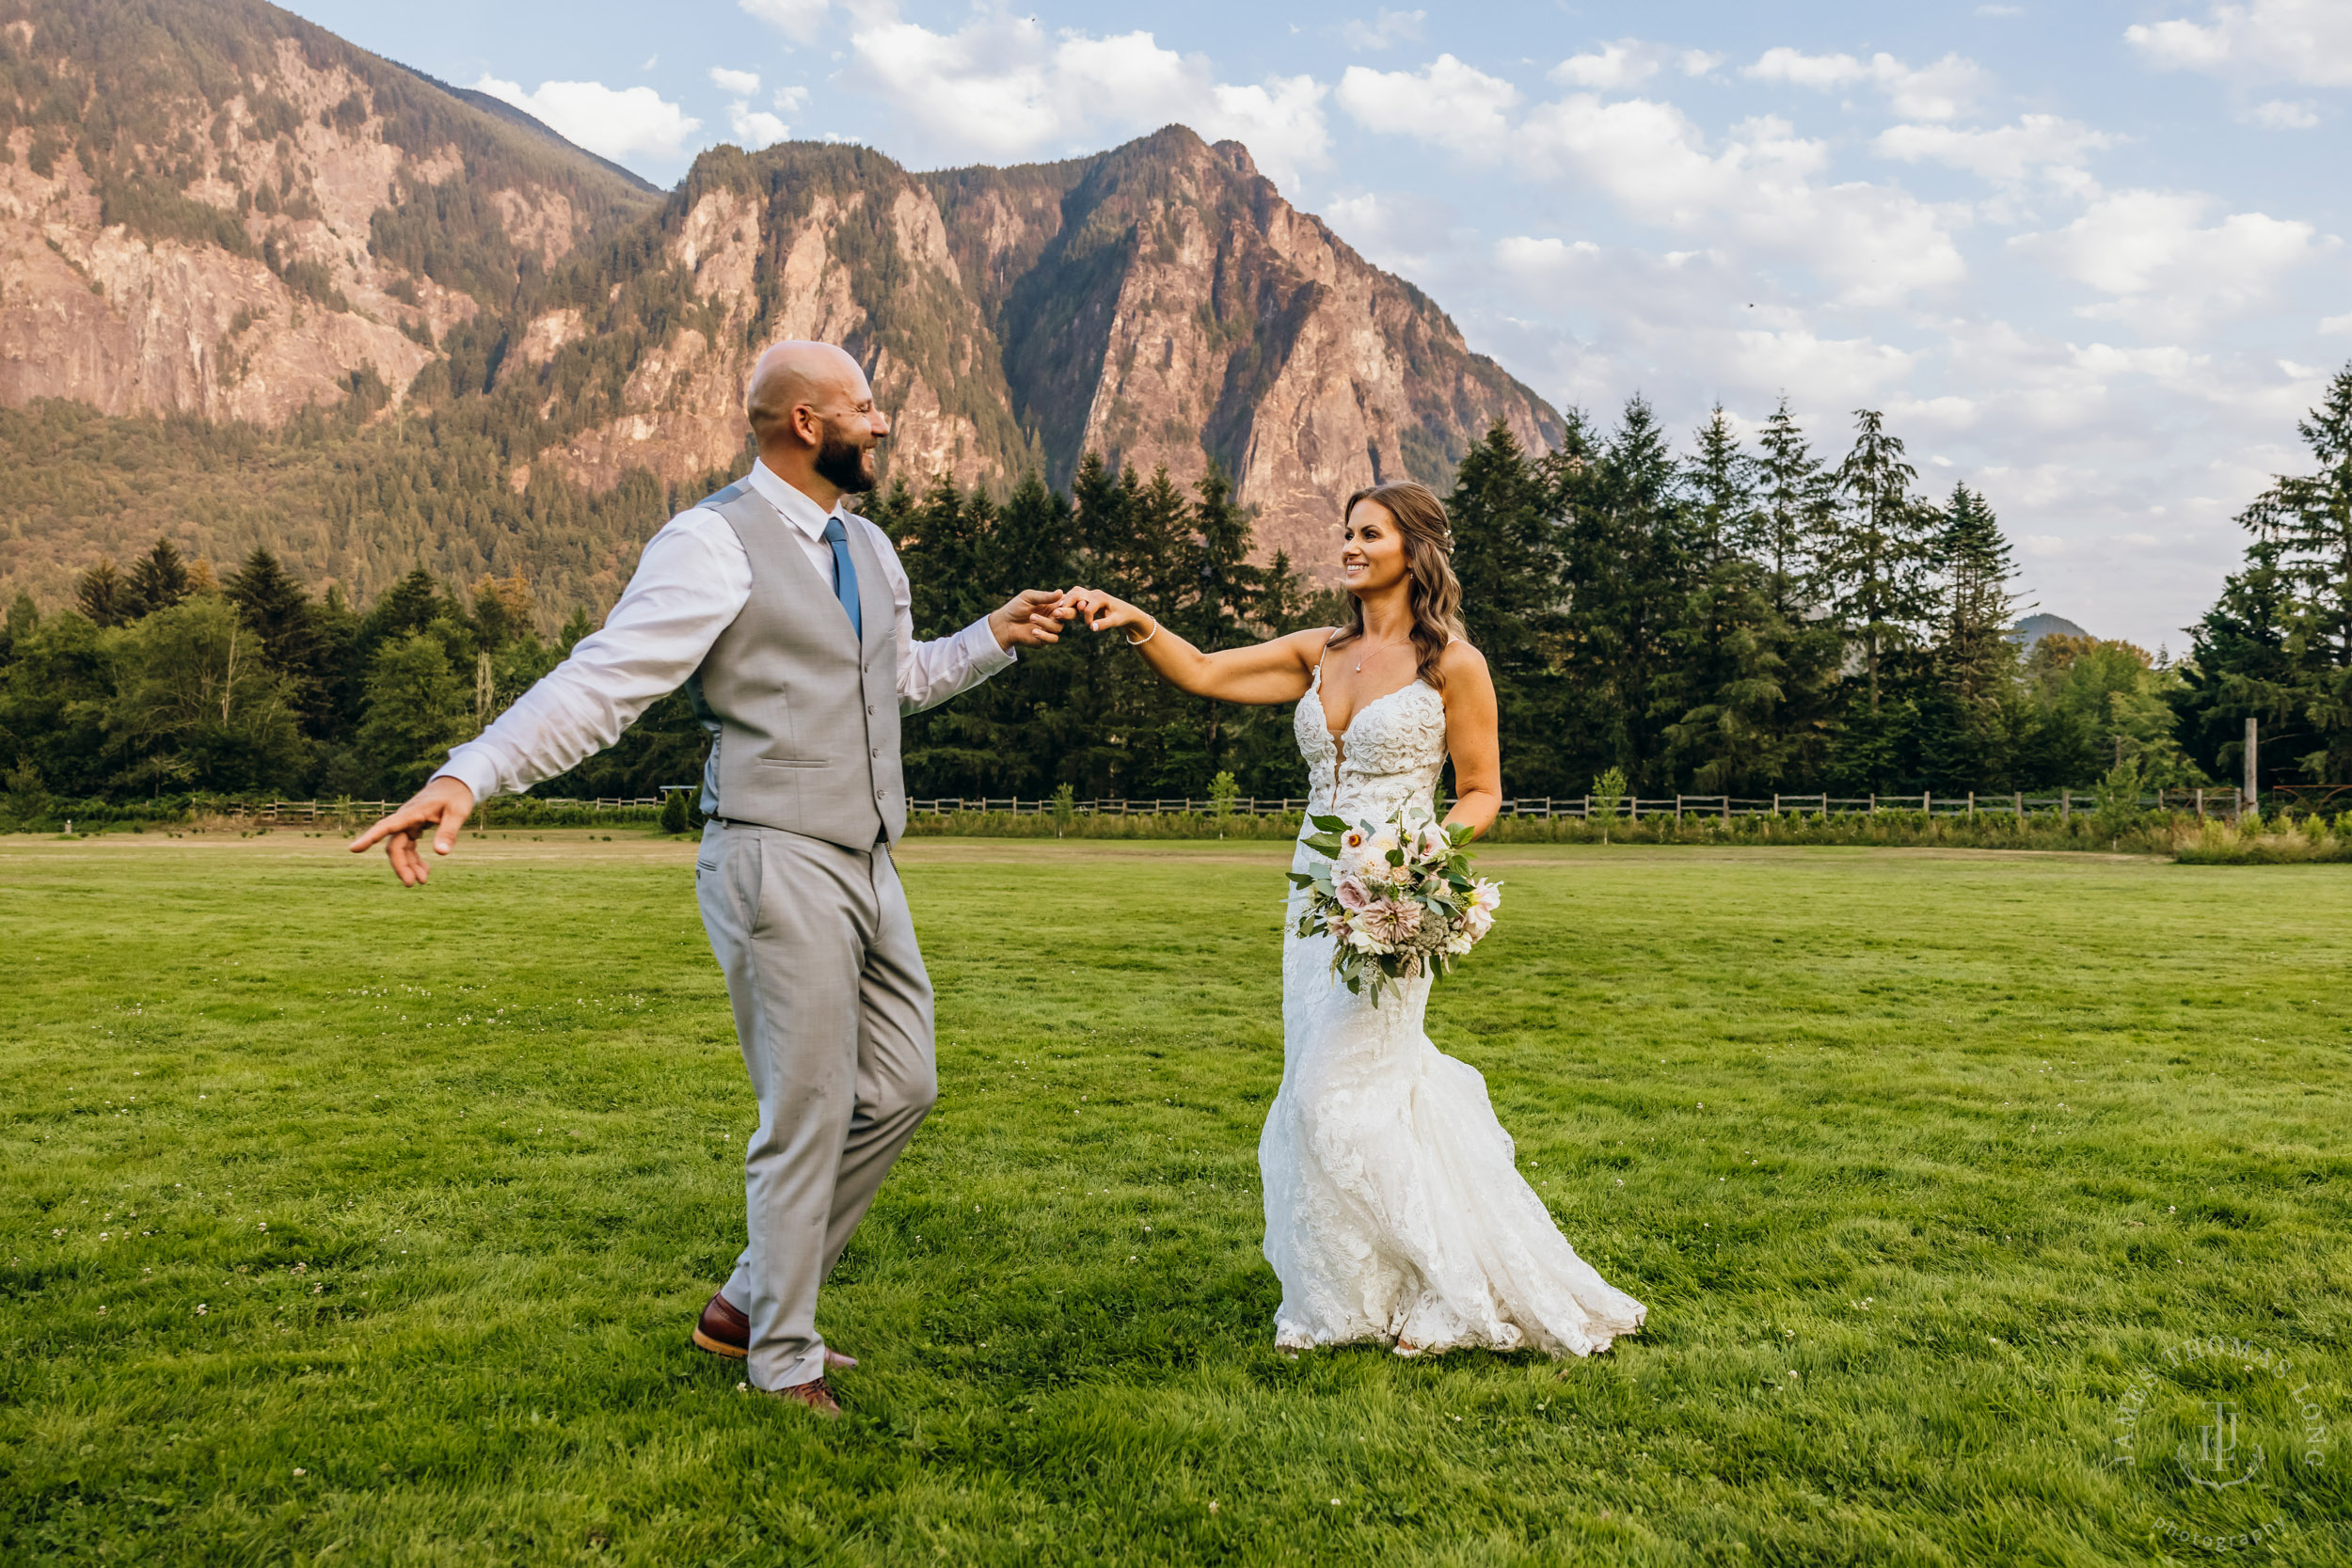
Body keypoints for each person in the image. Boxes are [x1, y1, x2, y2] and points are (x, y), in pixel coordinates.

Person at [349, 341, 1073, 1417]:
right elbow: (603, 680)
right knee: (809, 1105)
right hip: (772, 852)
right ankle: (782, 1356)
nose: (881, 424)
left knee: (902, 1085)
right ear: (801, 425)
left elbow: (895, 680)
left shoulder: (869, 546)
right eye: (862, 408)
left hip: (871, 857)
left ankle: (745, 1296)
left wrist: (991, 636)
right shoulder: (709, 542)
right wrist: (473, 770)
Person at [1065, 480, 1645, 1358]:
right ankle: (1352, 1294)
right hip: (1310, 895)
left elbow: (1482, 791)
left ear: (1413, 549)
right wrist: (1136, 617)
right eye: (1346, 532)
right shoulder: (1318, 651)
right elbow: (1206, 671)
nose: (1349, 545)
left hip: (1393, 899)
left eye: (1368, 533)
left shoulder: (1453, 663)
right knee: (1330, 1083)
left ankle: (1449, 1288)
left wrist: (1415, 862)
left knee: (1339, 1090)